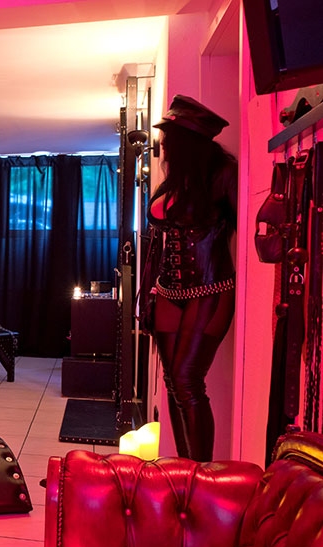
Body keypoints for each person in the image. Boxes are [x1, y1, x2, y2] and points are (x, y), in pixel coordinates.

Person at [147, 95, 238, 462]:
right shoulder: (174, 181)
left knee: (187, 381)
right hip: (168, 290)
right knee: (173, 381)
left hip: (210, 287)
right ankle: (184, 468)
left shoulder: (223, 174)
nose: (163, 145)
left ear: (187, 142)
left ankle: (202, 474)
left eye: (168, 137)